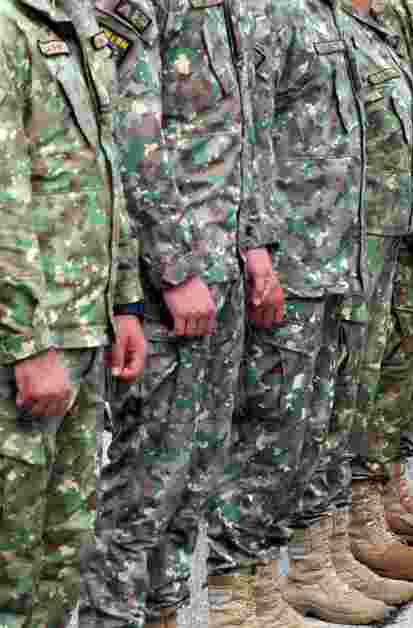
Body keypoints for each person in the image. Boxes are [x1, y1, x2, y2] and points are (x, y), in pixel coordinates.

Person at [203, 0, 410, 625]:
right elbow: (248, 136)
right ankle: (234, 597)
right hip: (292, 261)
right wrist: (258, 249)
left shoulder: (327, 17)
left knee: (314, 426)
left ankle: (301, 571)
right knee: (271, 428)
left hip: (334, 254)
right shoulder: (273, 16)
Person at [80, 1, 282, 626]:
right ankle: (109, 617)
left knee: (197, 469)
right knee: (145, 478)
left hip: (222, 270)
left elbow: (244, 133)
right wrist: (175, 268)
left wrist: (254, 245)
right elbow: (132, 135)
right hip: (170, 283)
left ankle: (165, 610)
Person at [0, 1, 146, 626]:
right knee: (11, 560)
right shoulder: (8, 27)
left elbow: (105, 171)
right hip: (29, 341)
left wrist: (125, 301)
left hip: (84, 325)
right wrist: (27, 344)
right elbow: (4, 196)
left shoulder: (75, 22)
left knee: (65, 546)